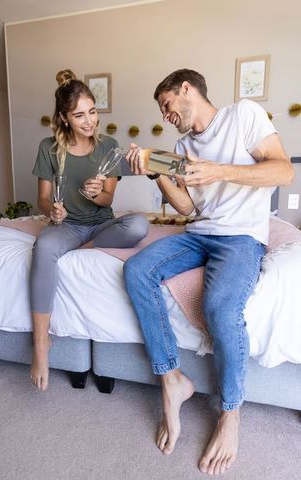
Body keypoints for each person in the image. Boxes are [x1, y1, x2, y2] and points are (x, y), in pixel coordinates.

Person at [124, 68, 294, 475]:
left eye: (167, 105)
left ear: (187, 90)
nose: (165, 114)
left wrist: (219, 170)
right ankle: (172, 380)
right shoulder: (182, 145)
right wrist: (157, 172)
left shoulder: (244, 115)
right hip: (200, 234)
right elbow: (186, 208)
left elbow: (283, 171)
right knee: (136, 270)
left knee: (219, 306)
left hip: (241, 238)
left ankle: (230, 413)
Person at [30, 69, 149, 391]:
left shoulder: (109, 145)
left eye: (93, 112)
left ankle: (85, 247)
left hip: (100, 225)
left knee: (139, 223)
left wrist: (94, 192)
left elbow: (108, 199)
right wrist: (51, 210)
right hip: (67, 226)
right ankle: (41, 343)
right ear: (64, 118)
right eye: (80, 115)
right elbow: (42, 199)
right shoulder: (48, 148)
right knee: (42, 248)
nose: (89, 121)